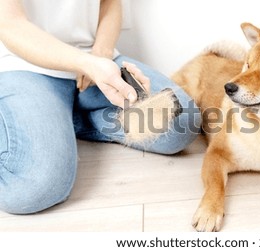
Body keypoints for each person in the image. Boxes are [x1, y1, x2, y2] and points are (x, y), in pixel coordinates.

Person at [0, 0, 201, 214]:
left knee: (181, 121)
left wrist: (101, 55)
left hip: (95, 61)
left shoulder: (98, 60)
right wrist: (86, 63)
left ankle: (69, 120)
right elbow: (9, 23)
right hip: (26, 65)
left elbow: (109, 2)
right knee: (34, 188)